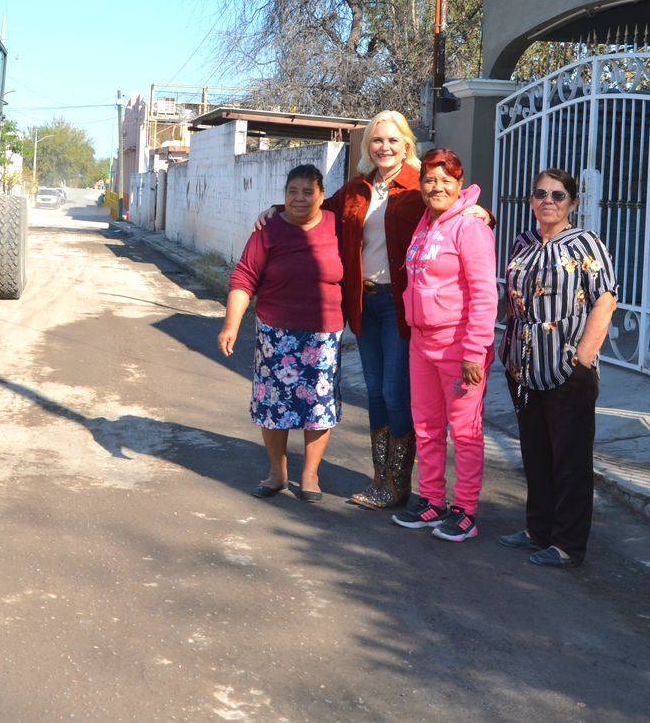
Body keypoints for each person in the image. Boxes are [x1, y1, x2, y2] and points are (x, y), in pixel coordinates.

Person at [253, 111, 489, 511]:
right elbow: (319, 210)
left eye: (393, 141)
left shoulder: (421, 184)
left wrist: (481, 211)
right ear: (368, 146)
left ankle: (399, 484)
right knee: (377, 393)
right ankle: (383, 480)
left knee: (396, 395)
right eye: (377, 140)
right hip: (365, 303)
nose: (385, 147)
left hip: (402, 307)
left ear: (407, 145)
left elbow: (451, 209)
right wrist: (278, 209)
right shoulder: (358, 189)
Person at [498, 168, 618, 568]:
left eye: (558, 195)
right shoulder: (523, 241)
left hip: (567, 369)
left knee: (569, 459)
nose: (548, 200)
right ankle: (538, 529)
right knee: (535, 453)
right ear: (531, 200)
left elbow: (605, 301)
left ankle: (567, 543)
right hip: (524, 367)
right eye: (540, 194)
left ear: (572, 203)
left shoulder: (586, 243)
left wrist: (583, 358)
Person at [219, 164, 344, 503]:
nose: (299, 198)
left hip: (324, 335)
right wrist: (231, 325)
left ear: (322, 195)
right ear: (283, 194)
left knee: (318, 407)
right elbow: (244, 278)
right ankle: (277, 472)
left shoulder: (338, 225)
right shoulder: (268, 230)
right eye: (292, 192)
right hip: (277, 334)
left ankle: (310, 475)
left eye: (308, 192)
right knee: (274, 405)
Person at [391, 148, 497, 543]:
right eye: (430, 180)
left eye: (445, 180)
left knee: (465, 431)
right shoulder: (424, 222)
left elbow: (485, 293)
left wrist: (475, 349)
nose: (436, 187)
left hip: (458, 345)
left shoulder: (470, 228)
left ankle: (465, 510)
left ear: (459, 183)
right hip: (422, 342)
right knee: (427, 427)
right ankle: (432, 499)